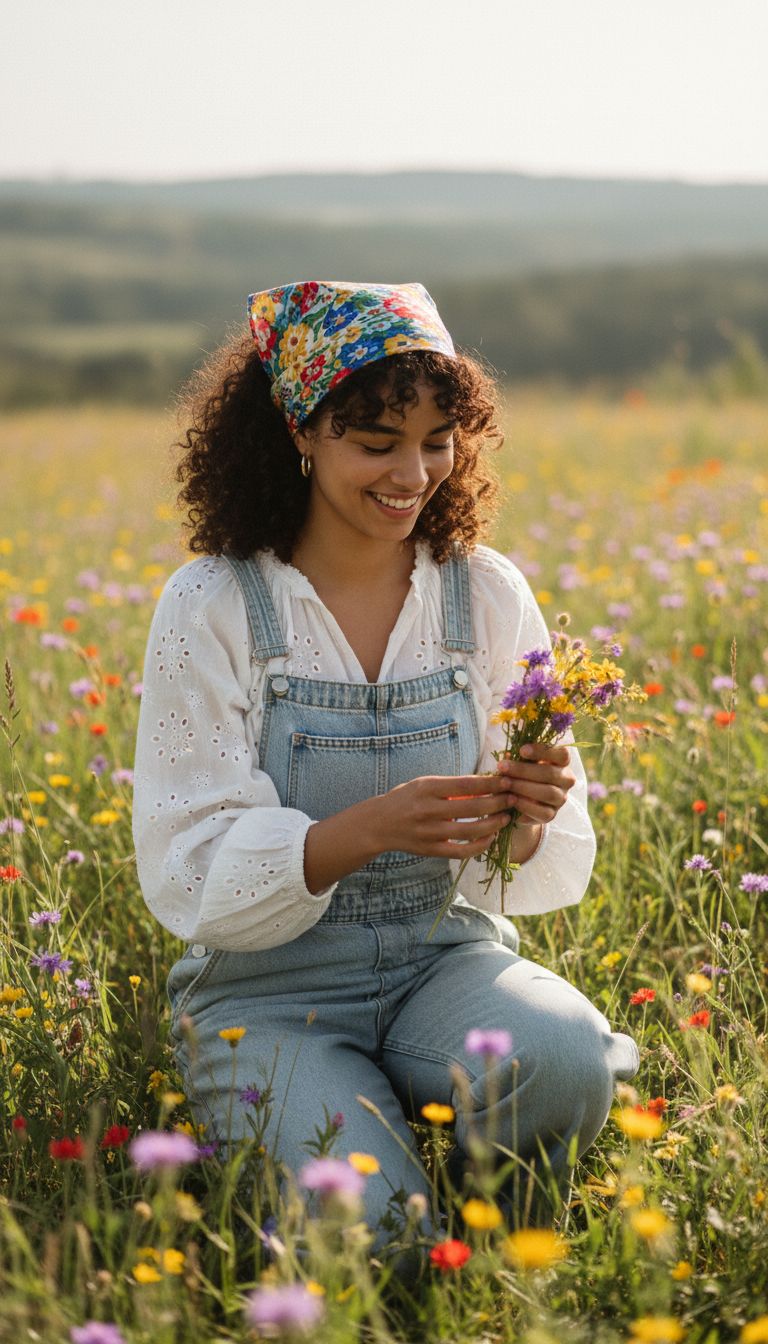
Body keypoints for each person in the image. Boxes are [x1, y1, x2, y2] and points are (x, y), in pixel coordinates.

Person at [133, 281, 638, 1235]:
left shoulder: (481, 594)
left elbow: (521, 868)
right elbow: (185, 865)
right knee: (370, 1235)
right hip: (267, 998)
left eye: (439, 439)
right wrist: (361, 831)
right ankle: (394, 1183)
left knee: (566, 1054)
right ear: (301, 432)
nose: (415, 472)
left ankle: (495, 1230)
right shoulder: (214, 604)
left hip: (438, 965)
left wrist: (525, 814)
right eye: (377, 443)